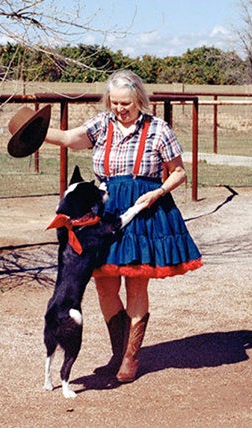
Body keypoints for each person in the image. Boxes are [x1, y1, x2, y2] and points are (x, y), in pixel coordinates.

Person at [44, 69, 202, 383]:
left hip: (144, 211)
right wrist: (35, 132)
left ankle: (130, 357)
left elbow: (179, 172)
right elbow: (68, 138)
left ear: (139, 100)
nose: (120, 108)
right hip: (105, 211)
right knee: (104, 283)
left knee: (135, 283)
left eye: (126, 103)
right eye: (115, 102)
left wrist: (158, 191)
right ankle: (118, 352)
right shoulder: (102, 125)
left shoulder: (159, 129)